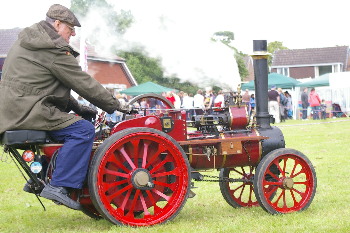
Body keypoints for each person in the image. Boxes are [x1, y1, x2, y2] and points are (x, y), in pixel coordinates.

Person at [0, 4, 131, 210]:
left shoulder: (29, 42)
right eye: (70, 29)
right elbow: (82, 82)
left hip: (14, 110)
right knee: (82, 130)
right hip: (28, 111)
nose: (73, 33)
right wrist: (116, 105)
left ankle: (42, 174)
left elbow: (43, 87)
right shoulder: (52, 49)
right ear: (58, 24)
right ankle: (59, 185)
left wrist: (78, 108)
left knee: (73, 126)